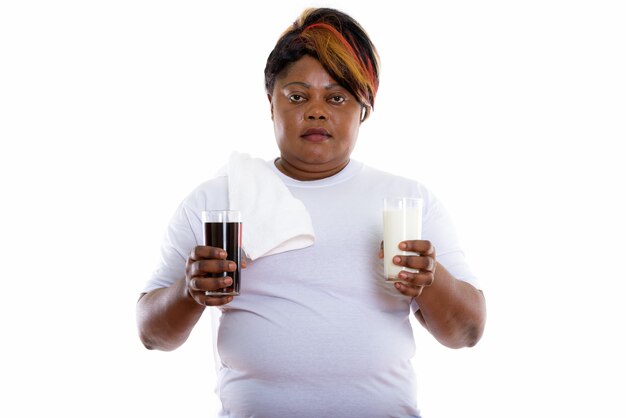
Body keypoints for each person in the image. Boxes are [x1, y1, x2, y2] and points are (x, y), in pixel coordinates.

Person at [136, 7, 486, 418]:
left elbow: (467, 333)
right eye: (297, 96)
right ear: (271, 103)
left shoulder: (406, 202)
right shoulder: (219, 201)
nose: (316, 110)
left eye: (336, 97)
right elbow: (152, 335)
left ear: (364, 109)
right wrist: (189, 292)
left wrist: (430, 279)